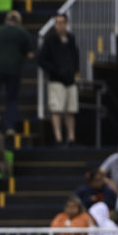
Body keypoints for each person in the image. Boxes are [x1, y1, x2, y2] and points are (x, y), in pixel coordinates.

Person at [0, 10, 34, 135]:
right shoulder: (23, 33)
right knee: (11, 99)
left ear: (6, 20)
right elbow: (30, 54)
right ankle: (10, 127)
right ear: (19, 21)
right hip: (14, 70)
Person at [38, 13, 80, 146]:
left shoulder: (71, 38)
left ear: (66, 24)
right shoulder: (50, 40)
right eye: (57, 22)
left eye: (62, 22)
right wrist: (55, 71)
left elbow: (75, 56)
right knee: (56, 109)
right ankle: (58, 138)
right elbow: (41, 59)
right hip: (56, 80)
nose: (60, 24)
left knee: (71, 110)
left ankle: (71, 138)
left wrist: (74, 70)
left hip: (70, 79)